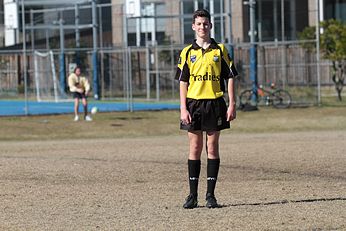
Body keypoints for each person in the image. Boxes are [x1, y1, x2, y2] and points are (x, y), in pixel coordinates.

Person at [175, 9, 238, 209]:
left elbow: (230, 76)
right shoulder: (187, 52)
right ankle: (192, 196)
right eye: (199, 24)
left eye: (206, 23)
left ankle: (210, 196)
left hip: (215, 103)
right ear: (193, 26)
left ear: (211, 25)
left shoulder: (220, 50)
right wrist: (183, 108)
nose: (203, 27)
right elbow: (183, 82)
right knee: (195, 147)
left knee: (212, 147)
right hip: (194, 104)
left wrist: (232, 103)